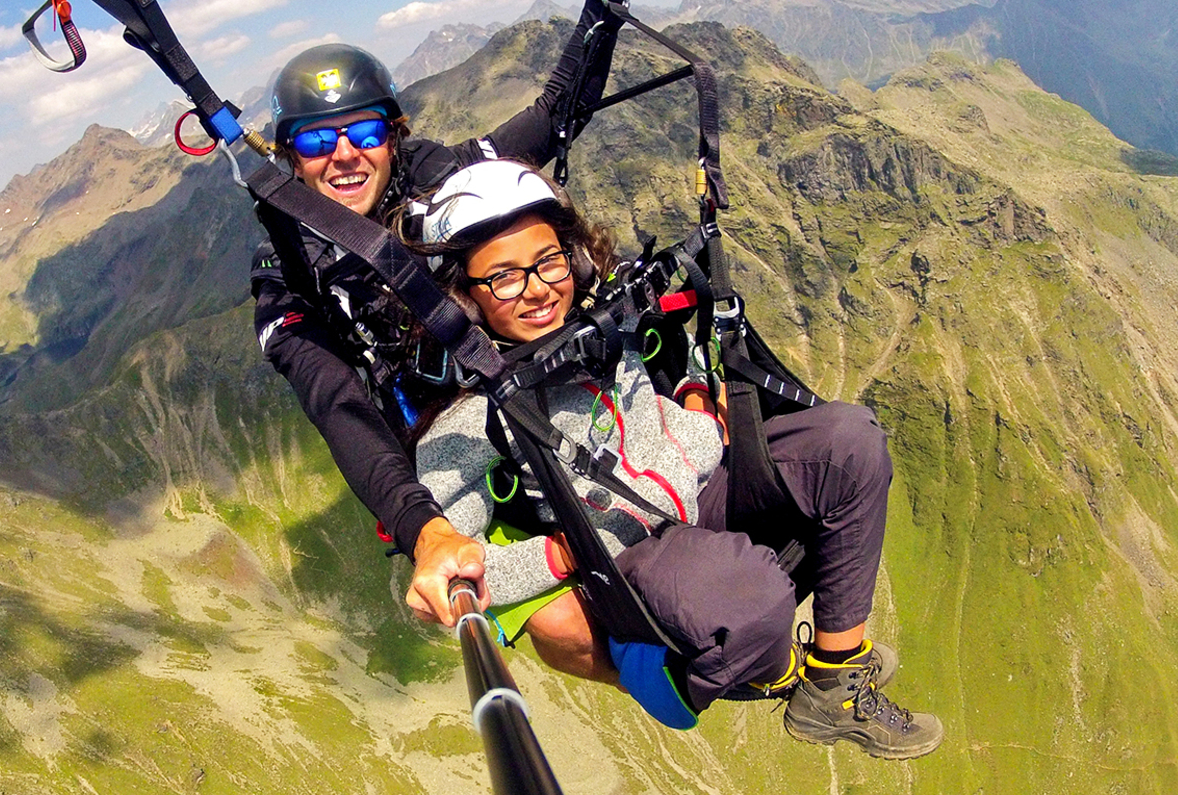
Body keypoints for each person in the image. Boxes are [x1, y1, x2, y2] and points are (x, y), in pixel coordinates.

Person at [402, 158, 944, 760]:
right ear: (467, 302)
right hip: (635, 558)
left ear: (573, 260)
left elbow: (670, 367)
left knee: (850, 441)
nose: (536, 288)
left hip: (705, 490)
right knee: (757, 604)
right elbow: (464, 579)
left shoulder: (606, 326)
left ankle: (836, 680)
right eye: (503, 277)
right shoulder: (472, 422)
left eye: (548, 261)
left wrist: (695, 409)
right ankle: (709, 667)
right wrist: (564, 553)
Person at [251, 0, 646, 601]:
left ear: (394, 134)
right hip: (444, 455)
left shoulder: (435, 177)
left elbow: (554, 119)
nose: (344, 156)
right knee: (557, 621)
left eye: (365, 132)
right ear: (290, 158)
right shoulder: (288, 274)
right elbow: (336, 404)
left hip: (530, 386)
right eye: (316, 141)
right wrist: (422, 528)